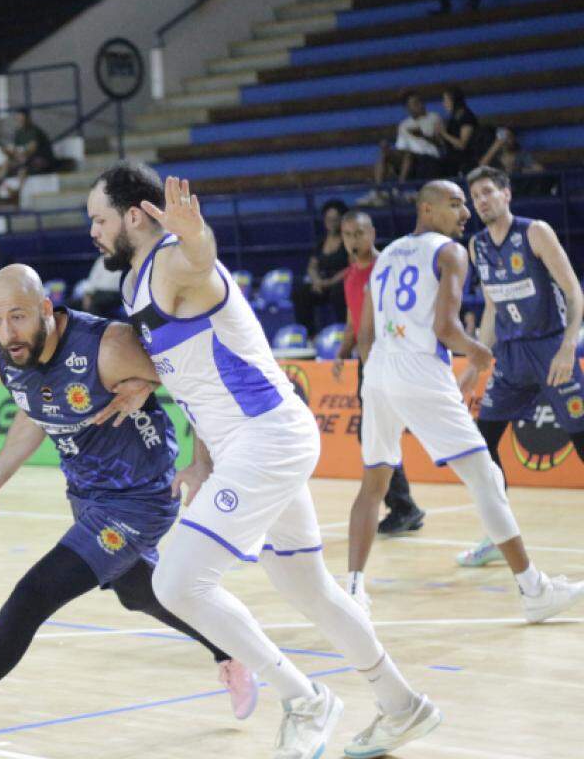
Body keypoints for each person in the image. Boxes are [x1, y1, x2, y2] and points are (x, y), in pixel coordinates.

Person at [91, 161, 440, 759]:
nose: (92, 232)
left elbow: (200, 257)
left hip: (267, 437)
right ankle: (403, 706)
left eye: (98, 219)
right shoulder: (133, 285)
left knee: (177, 583)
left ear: (131, 216)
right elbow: (194, 377)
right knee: (311, 589)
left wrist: (196, 234)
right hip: (242, 445)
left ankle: (304, 698)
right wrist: (200, 460)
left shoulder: (176, 259)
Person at [0, 265, 257, 758]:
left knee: (31, 598)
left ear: (47, 308)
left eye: (19, 317)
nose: (7, 332)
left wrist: (199, 462)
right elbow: (36, 411)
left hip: (140, 496)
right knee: (137, 592)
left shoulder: (107, 347)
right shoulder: (0, 358)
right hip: (87, 495)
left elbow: (201, 384)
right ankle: (230, 649)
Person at [347, 178, 584, 626]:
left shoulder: (386, 255)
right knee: (484, 476)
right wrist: (477, 353)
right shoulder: (452, 252)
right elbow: (446, 328)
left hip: (378, 371)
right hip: (420, 370)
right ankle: (533, 589)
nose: (465, 214)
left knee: (373, 482)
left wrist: (377, 374)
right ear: (427, 209)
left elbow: (364, 332)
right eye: (456, 204)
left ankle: (354, 589)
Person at [454, 166, 584, 567]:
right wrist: (478, 358)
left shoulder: (535, 232)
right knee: (483, 444)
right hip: (509, 359)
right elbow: (492, 308)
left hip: (549, 353)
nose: (482, 200)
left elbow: (573, 290)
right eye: (476, 196)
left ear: (507, 194)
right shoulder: (477, 246)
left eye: (489, 192)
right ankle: (499, 534)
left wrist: (568, 348)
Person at [333, 210, 424, 535]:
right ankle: (403, 506)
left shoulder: (388, 267)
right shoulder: (349, 276)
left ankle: (404, 506)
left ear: (372, 232)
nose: (353, 240)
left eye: (359, 233)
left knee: (377, 434)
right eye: (347, 234)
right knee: (373, 435)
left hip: (390, 360)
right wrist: (343, 353)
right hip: (366, 364)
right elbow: (352, 320)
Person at [291, 199, 350, 336]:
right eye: (328, 219)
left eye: (335, 219)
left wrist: (331, 282)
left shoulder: (348, 241)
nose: (331, 222)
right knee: (301, 293)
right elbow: (312, 267)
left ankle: (344, 333)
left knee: (338, 292)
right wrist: (317, 281)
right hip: (322, 284)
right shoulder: (321, 243)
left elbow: (351, 267)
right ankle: (309, 336)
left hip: (340, 283)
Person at [371, 91, 444, 192]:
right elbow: (401, 148)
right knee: (385, 154)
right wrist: (387, 148)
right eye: (414, 104)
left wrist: (422, 135)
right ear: (408, 108)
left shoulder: (434, 118)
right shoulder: (404, 125)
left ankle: (399, 189)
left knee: (408, 155)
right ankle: (377, 192)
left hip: (428, 156)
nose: (419, 105)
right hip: (409, 158)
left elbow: (441, 143)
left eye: (419, 102)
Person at [0, 108, 55, 200]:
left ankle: (18, 192)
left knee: (23, 169)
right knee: (6, 163)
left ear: (27, 118)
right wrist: (8, 152)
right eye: (18, 118)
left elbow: (32, 148)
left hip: (41, 160)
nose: (20, 120)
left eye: (22, 118)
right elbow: (16, 151)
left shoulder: (34, 131)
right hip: (27, 160)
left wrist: (18, 153)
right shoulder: (18, 133)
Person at [437, 87, 483, 176]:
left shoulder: (466, 117)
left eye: (446, 100)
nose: (444, 104)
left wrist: (443, 133)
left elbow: (462, 144)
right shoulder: (452, 119)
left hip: (466, 161)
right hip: (452, 160)